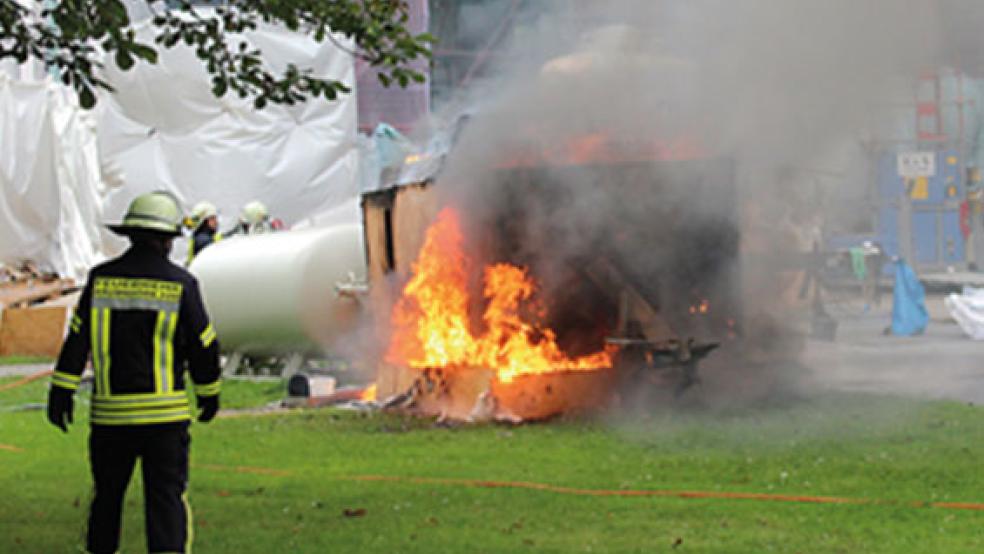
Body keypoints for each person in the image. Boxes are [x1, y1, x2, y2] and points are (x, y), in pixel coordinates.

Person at [47, 191, 222, 554]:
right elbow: (203, 344)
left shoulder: (99, 280)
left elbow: (76, 341)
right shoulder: (181, 284)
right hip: (165, 420)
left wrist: (61, 393)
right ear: (166, 239)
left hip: (111, 419)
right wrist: (208, 394)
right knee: (166, 501)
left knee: (107, 499)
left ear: (131, 234)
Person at [184, 201, 223, 266]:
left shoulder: (199, 236)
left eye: (215, 218)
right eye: (212, 218)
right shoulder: (204, 241)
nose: (216, 221)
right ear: (203, 221)